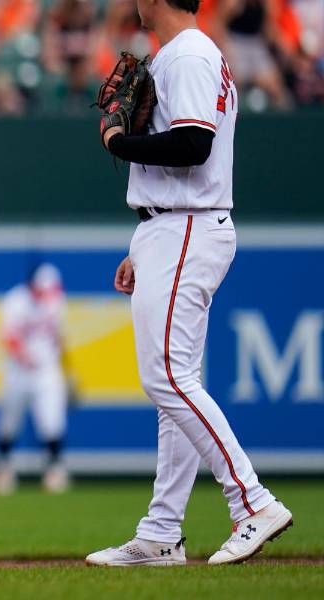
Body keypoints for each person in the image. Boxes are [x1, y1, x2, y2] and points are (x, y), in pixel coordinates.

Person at [87, 0, 292, 566]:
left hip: (187, 226)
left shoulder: (191, 55)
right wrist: (142, 245)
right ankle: (161, 533)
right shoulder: (183, 54)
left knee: (167, 379)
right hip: (170, 226)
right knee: (173, 388)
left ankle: (252, 501)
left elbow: (192, 146)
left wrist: (117, 143)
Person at [0, 263, 70, 496]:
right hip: (18, 370)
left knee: (52, 420)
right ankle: (2, 470)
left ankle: (55, 471)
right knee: (8, 422)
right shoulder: (15, 300)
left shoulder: (56, 301)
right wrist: (24, 357)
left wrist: (66, 370)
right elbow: (8, 336)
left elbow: (58, 337)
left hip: (46, 370)